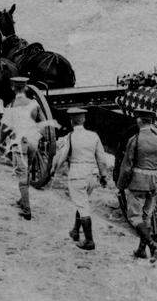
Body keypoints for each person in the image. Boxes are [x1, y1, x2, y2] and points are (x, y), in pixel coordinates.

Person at [51, 107, 109, 250]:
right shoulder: (94, 136)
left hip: (77, 175)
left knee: (82, 206)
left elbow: (61, 157)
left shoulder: (69, 137)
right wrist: (103, 176)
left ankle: (89, 241)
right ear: (84, 120)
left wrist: (53, 170)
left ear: (72, 121)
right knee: (82, 202)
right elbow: (101, 159)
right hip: (92, 175)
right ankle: (75, 231)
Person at [117, 109, 157, 261]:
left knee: (134, 217)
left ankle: (152, 245)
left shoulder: (135, 139)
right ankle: (141, 250)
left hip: (138, 183)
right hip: (153, 185)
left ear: (139, 121)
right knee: (147, 218)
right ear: (151, 122)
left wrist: (121, 186)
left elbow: (127, 166)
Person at [1, 76, 43, 220]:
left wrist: (1, 142)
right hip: (33, 142)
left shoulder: (11, 106)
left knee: (22, 176)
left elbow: (4, 128)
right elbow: (43, 124)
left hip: (20, 143)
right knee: (27, 170)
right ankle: (22, 199)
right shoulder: (34, 103)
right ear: (25, 88)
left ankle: (27, 209)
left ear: (13, 88)